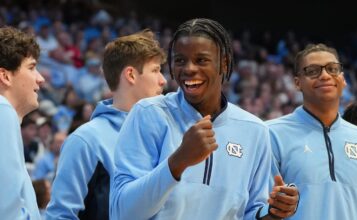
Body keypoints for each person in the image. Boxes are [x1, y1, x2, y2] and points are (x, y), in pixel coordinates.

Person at [111, 18, 298, 220]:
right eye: (180, 60)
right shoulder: (148, 113)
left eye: (201, 60)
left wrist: (273, 211)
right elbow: (122, 212)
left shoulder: (255, 130)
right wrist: (178, 161)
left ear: (224, 64)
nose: (189, 69)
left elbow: (251, 211)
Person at [45, 29, 167, 220]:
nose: (163, 80)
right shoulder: (86, 141)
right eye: (155, 70)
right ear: (131, 75)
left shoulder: (165, 135)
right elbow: (60, 216)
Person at [266, 43, 357, 219]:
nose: (325, 75)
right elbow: (257, 206)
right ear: (298, 83)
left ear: (342, 79)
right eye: (313, 71)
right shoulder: (271, 134)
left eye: (332, 69)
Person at [0, 26, 45, 219]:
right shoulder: (3, 110)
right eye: (32, 67)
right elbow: (8, 211)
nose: (40, 79)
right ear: (5, 76)